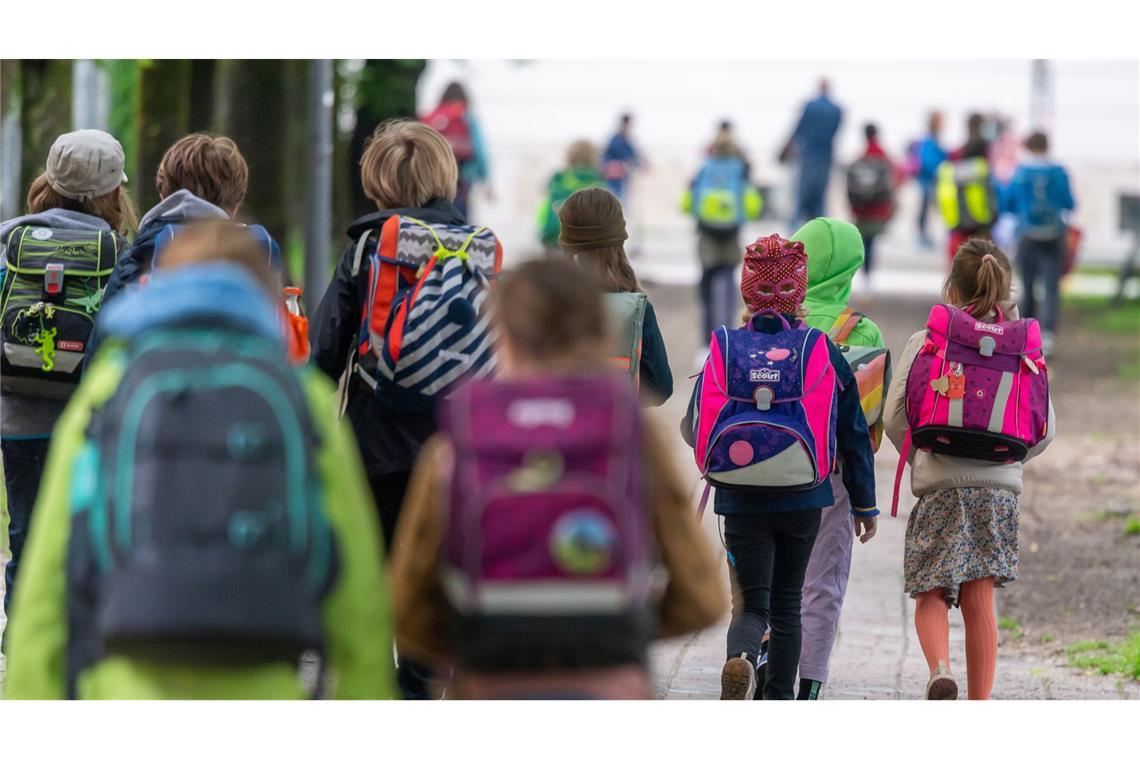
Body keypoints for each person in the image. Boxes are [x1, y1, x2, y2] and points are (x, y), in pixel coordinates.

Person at [4, 221, 397, 698]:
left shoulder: (110, 388)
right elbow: (356, 596)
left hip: (125, 691)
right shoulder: (302, 397)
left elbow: (49, 584)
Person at [389, 258, 725, 699]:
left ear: (504, 337)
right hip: (609, 686)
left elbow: (406, 607)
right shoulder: (630, 435)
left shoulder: (461, 440)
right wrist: (616, 632)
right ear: (598, 332)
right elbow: (702, 597)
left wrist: (480, 644)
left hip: (491, 685)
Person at [310, 119, 483, 700]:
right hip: (458, 446)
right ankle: (420, 687)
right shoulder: (475, 251)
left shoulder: (367, 248)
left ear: (377, 181)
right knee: (433, 578)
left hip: (374, 440)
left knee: (372, 575)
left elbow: (327, 349)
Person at [682, 234, 877, 700]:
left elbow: (694, 426)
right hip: (803, 495)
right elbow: (852, 432)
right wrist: (864, 505)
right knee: (789, 605)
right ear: (799, 289)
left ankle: (743, 657)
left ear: (747, 290)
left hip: (740, 496)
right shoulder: (819, 348)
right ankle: (778, 701)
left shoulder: (727, 347)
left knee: (752, 603)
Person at [883, 239, 1056, 700]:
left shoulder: (929, 340)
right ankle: (979, 706)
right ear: (1005, 286)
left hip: (940, 484)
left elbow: (895, 417)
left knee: (931, 591)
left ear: (951, 287)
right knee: (980, 600)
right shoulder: (1024, 348)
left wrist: (925, 453)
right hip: (997, 491)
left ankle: (940, 669)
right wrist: (1006, 457)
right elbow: (1044, 429)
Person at [0, 129, 136, 624]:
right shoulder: (119, 251)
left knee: (26, 537)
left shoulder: (10, 239)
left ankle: (20, 642)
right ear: (113, 192)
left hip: (19, 418)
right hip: (88, 421)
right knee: (87, 539)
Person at [786, 218, 884, 699]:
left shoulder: (771, 321)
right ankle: (808, 683)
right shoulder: (861, 330)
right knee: (822, 581)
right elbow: (869, 429)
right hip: (835, 477)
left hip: (767, 471)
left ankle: (759, 653)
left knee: (769, 574)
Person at [96, 133, 250, 314]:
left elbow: (105, 339)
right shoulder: (258, 268)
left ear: (163, 197)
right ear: (236, 206)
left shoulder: (134, 261)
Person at [557, 187, 672, 405]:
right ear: (619, 237)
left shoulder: (547, 302)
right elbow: (661, 389)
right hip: (613, 430)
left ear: (566, 238)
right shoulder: (636, 307)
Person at [685, 131, 761, 353]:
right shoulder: (740, 170)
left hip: (706, 234)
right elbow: (753, 207)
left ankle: (704, 344)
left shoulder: (704, 168)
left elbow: (688, 204)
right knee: (728, 284)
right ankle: (727, 337)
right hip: (731, 234)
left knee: (706, 287)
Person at [1005, 131, 1075, 356]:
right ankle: (1048, 335)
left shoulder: (1020, 173)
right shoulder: (1058, 172)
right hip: (1054, 236)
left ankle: (1026, 334)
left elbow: (1008, 203)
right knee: (1051, 286)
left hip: (1027, 235)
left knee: (1027, 285)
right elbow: (1070, 203)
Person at [937, 113, 999, 264]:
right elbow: (995, 200)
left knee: (957, 276)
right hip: (982, 231)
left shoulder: (951, 167)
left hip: (956, 230)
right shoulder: (984, 169)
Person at [422, 82, 490, 219]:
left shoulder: (434, 117)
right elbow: (480, 149)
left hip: (435, 177)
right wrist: (485, 178)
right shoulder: (466, 117)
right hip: (463, 176)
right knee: (459, 215)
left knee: (436, 215)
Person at [846, 123, 898, 283]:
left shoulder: (860, 158)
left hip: (861, 210)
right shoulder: (883, 157)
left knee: (863, 242)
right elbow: (892, 183)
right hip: (877, 210)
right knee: (871, 243)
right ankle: (868, 276)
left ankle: (864, 276)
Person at [790, 79, 843, 225]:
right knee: (820, 199)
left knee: (802, 197)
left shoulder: (810, 106)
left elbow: (799, 128)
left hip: (808, 156)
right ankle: (820, 228)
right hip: (825, 157)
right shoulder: (836, 109)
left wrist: (790, 145)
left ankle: (794, 233)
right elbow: (836, 131)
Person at [537, 140, 604, 255]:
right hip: (588, 243)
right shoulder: (598, 180)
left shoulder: (559, 177)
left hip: (555, 236)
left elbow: (545, 192)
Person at [913, 112, 947, 248]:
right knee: (926, 209)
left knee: (927, 210)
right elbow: (927, 162)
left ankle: (926, 236)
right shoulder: (929, 141)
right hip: (928, 181)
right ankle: (923, 237)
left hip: (930, 181)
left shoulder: (933, 141)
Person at [601, 113, 643, 203]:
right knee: (616, 197)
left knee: (622, 198)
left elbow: (633, 156)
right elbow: (606, 157)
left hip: (622, 176)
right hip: (614, 176)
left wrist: (640, 163)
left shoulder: (626, 140)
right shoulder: (616, 140)